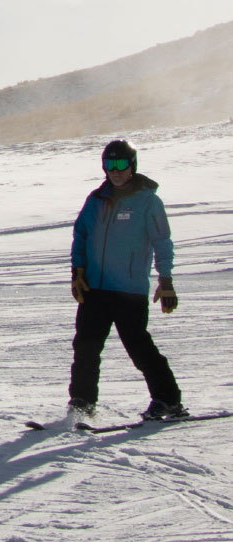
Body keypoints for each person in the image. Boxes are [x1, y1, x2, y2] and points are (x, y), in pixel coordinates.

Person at [68, 140, 185, 420]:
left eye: (121, 164)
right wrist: (78, 271)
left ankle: (168, 400)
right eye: (110, 165)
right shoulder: (95, 200)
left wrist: (165, 279)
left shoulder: (148, 202)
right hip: (95, 289)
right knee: (86, 346)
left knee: (138, 347)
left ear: (132, 166)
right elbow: (81, 235)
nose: (116, 171)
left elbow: (162, 242)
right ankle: (82, 402)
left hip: (129, 291)